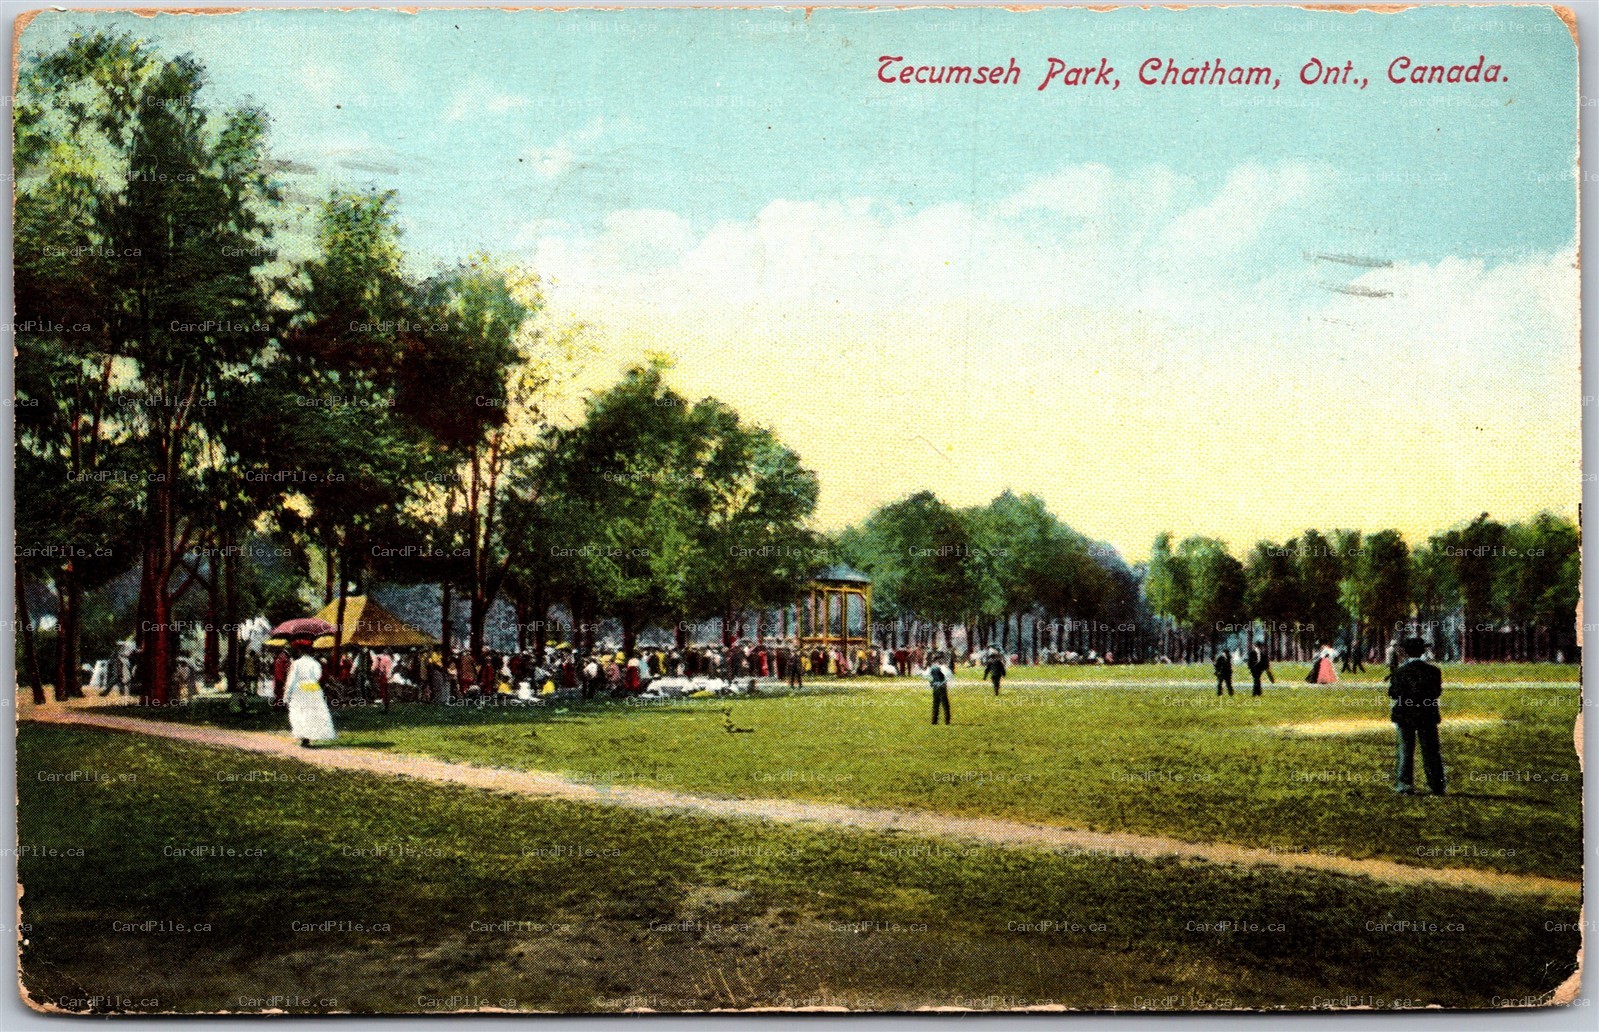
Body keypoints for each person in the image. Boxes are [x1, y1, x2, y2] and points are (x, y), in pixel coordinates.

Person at [1389, 636, 1445, 795]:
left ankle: (1404, 784)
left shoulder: (1400, 672)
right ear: (1423, 652)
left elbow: (1393, 693)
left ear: (1405, 652)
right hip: (1427, 714)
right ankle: (1437, 785)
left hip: (1405, 714)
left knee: (1405, 751)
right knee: (1431, 751)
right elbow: (1436, 692)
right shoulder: (1433, 671)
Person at [285, 639, 336, 748]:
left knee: (301, 712)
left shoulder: (296, 663)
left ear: (299, 651)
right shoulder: (315, 663)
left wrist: (287, 694)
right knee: (312, 712)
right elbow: (318, 676)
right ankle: (308, 737)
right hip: (313, 688)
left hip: (300, 688)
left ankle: (304, 737)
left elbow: (292, 679)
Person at [927, 654, 952, 725]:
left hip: (935, 687)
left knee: (935, 704)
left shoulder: (931, 668)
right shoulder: (943, 667)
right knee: (945, 704)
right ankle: (947, 721)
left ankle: (934, 721)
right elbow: (948, 677)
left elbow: (928, 677)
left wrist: (932, 683)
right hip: (942, 687)